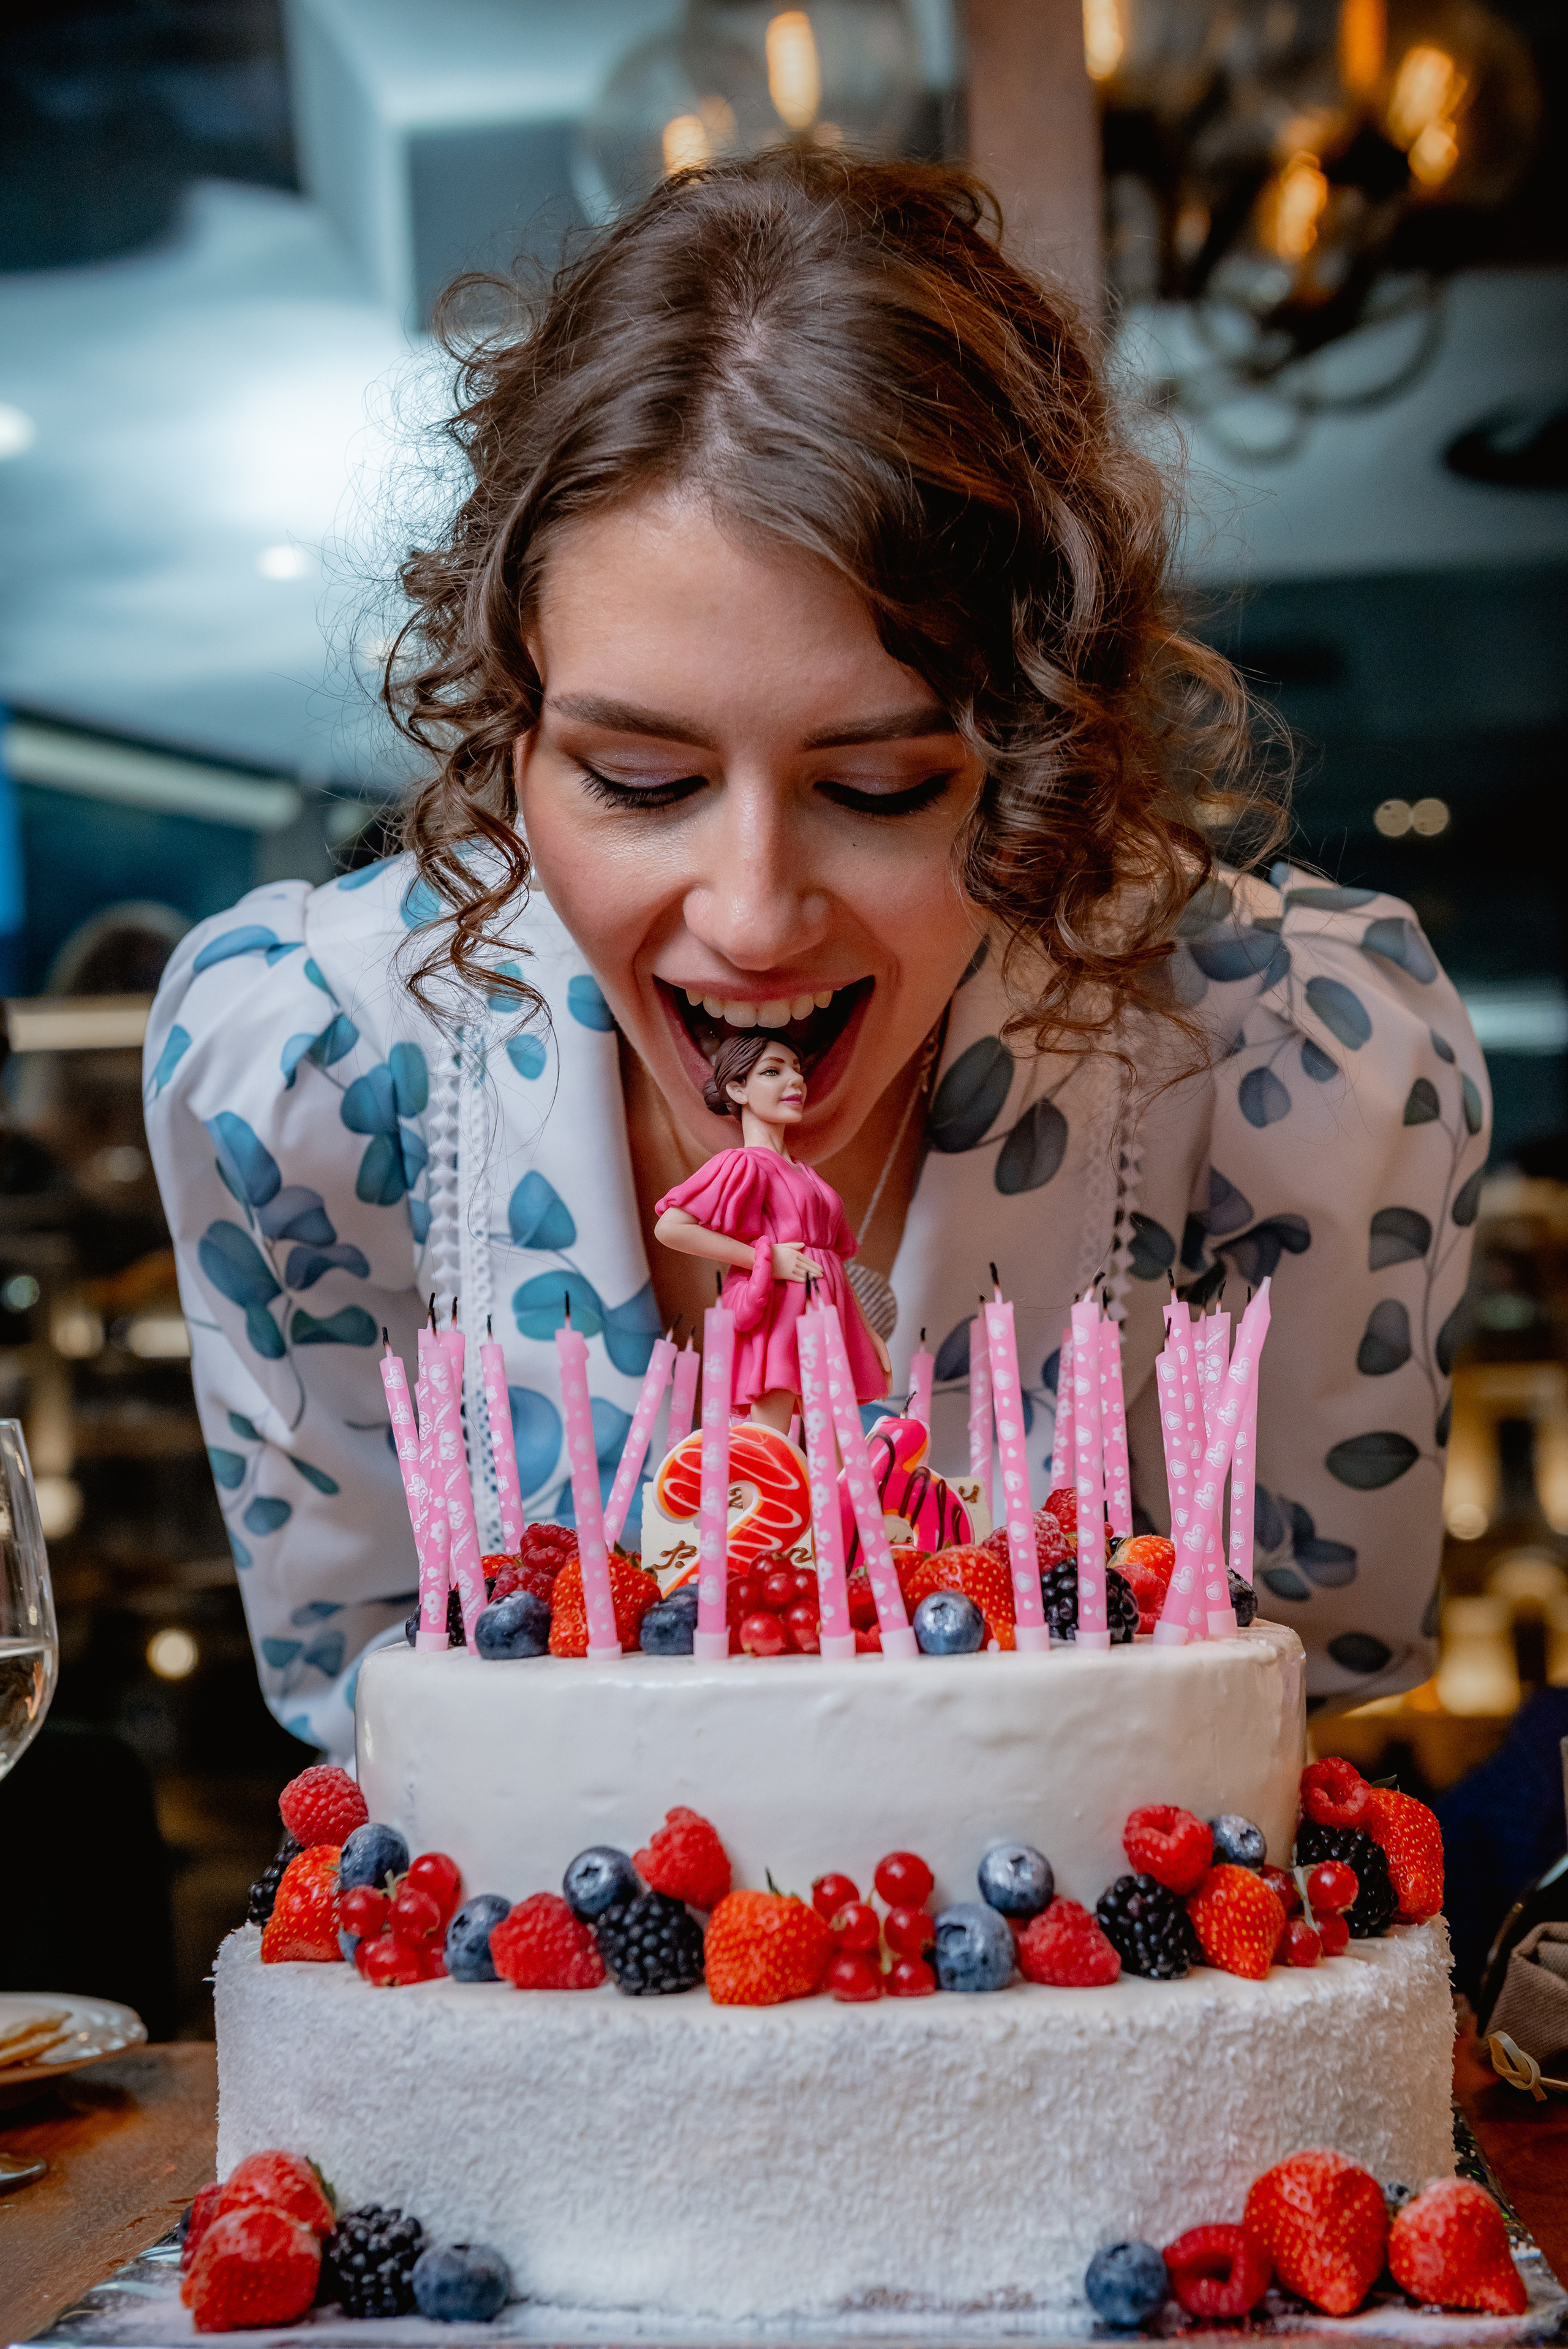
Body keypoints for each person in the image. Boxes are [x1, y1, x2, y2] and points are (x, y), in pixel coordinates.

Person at [144, 151, 1487, 1761]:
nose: (754, 913)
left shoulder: (1309, 1070)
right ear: (507, 737)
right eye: (640, 783)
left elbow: (1295, 1691)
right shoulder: (301, 1076)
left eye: (881, 787)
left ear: (1041, 754)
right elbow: (372, 1712)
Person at [653, 1031, 890, 1429]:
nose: (795, 1081)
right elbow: (671, 1228)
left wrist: (869, 1333)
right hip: (780, 1310)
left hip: (827, 1312)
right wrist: (763, 1258)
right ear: (737, 1088)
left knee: (834, 1450)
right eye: (772, 1071)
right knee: (770, 1441)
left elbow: (834, 1263)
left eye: (796, 1070)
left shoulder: (807, 1174)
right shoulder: (744, 1164)